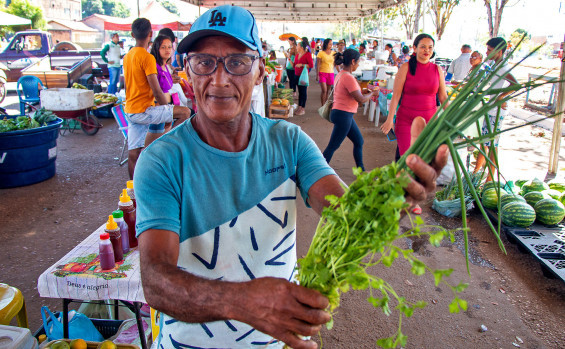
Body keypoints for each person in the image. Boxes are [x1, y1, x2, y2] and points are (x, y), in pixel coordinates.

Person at [134, 5, 447, 349]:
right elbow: (155, 280)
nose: (219, 79)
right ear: (187, 72)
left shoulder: (288, 141)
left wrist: (394, 195)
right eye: (204, 62)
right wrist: (241, 301)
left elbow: (345, 212)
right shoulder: (161, 160)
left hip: (275, 341)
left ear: (259, 73)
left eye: (237, 62)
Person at [380, 33, 448, 214]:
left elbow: (442, 97)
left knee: (423, 158)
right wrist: (389, 119)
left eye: (430, 47)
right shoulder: (405, 68)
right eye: (423, 46)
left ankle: (409, 197)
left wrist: (450, 116)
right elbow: (396, 96)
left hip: (429, 122)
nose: (427, 50)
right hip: (406, 120)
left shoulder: (437, 70)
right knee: (408, 158)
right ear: (415, 48)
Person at [122, 18, 190, 178]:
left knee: (133, 154)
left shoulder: (127, 56)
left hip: (130, 111)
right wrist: (167, 110)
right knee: (185, 113)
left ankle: (132, 190)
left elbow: (126, 87)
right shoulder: (147, 58)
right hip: (144, 111)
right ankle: (167, 145)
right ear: (151, 34)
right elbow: (156, 89)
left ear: (132, 34)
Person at [322, 49, 379, 171]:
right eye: (358, 62)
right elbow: (361, 99)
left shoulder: (341, 74)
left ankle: (361, 170)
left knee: (359, 141)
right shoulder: (348, 77)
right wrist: (373, 93)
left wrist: (364, 92)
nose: (358, 65)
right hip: (343, 115)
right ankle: (318, 170)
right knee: (333, 146)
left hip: (343, 114)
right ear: (353, 61)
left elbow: (352, 93)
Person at [473, 37, 519, 182]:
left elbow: (516, 85)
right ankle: (477, 171)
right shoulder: (494, 65)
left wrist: (501, 97)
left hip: (496, 111)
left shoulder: (503, 67)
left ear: (499, 52)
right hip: (489, 108)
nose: (486, 53)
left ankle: (491, 178)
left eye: (490, 50)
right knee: (484, 142)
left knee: (492, 144)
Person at [294, 37, 314, 116]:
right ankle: (299, 106)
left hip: (303, 76)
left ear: (301, 47)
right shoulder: (297, 55)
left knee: (303, 91)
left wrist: (302, 65)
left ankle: (303, 108)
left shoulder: (307, 55)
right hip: (297, 75)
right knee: (300, 91)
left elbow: (311, 65)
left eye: (298, 46)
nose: (296, 47)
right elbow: (294, 65)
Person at [316, 38, 334, 106]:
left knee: (328, 92)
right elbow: (318, 65)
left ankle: (325, 105)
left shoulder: (333, 53)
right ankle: (322, 106)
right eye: (330, 44)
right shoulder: (320, 53)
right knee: (324, 90)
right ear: (326, 44)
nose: (331, 45)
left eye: (332, 44)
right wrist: (317, 75)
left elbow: (336, 64)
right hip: (322, 73)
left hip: (330, 73)